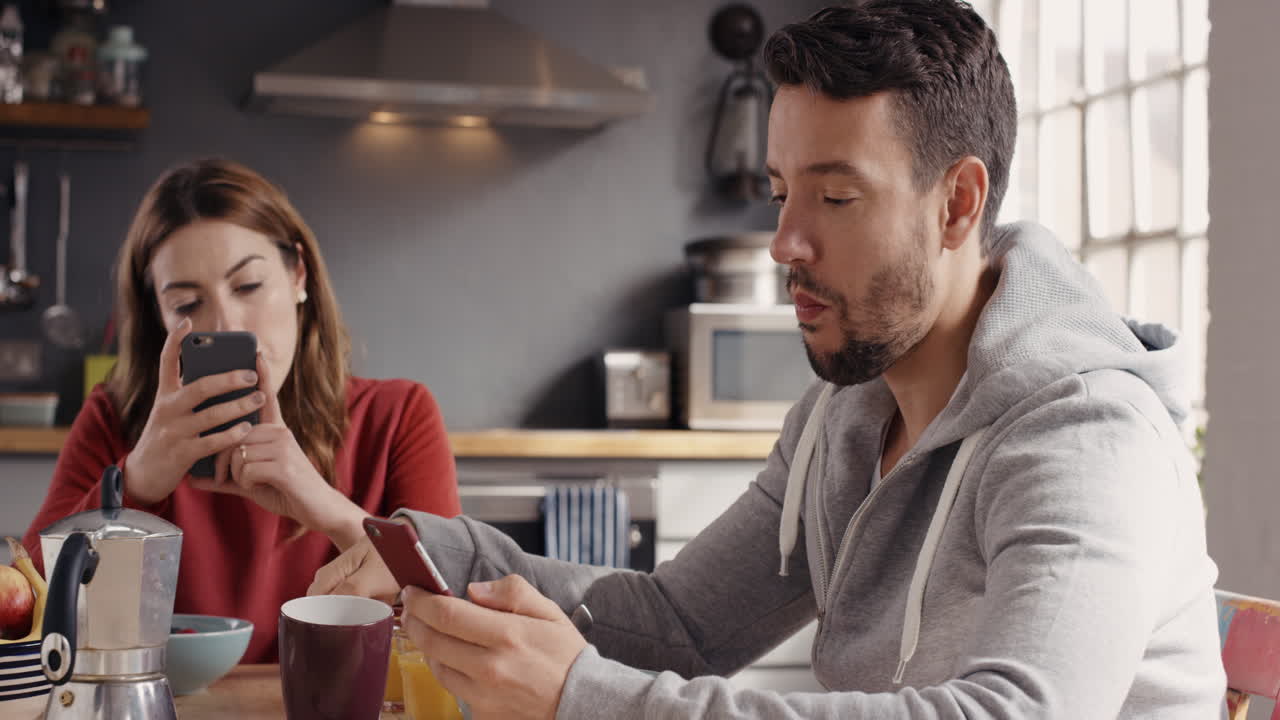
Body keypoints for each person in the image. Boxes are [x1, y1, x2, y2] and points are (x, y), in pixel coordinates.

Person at [310, 1, 1226, 717]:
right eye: (784, 192)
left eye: (835, 196)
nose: (785, 241)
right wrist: (441, 548)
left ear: (957, 204)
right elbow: (679, 626)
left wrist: (580, 698)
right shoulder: (846, 413)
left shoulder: (1085, 436)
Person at [23, 157, 460, 663]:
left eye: (248, 287)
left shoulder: (398, 415)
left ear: (299, 275)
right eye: (187, 304)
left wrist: (330, 510)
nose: (228, 321)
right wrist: (134, 484)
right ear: (158, 318)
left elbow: (456, 620)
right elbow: (24, 610)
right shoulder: (113, 419)